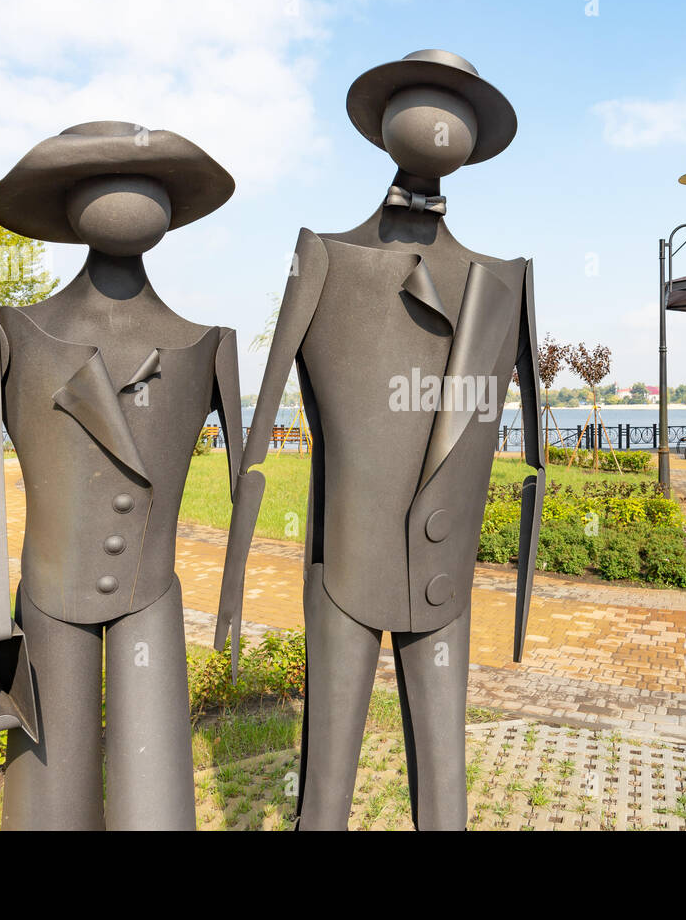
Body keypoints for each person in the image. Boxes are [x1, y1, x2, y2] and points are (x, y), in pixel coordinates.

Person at [229, 52, 544, 829]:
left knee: (445, 793)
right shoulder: (327, 257)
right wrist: (231, 595)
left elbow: (534, 454)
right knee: (324, 791)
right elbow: (262, 432)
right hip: (344, 561)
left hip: (442, 578)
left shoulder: (504, 279)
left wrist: (522, 612)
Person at [0, 122, 246, 829]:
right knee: (48, 807)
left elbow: (243, 485)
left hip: (151, 597)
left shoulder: (208, 345)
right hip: (47, 600)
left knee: (156, 805)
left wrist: (233, 603)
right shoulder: (7, 331)